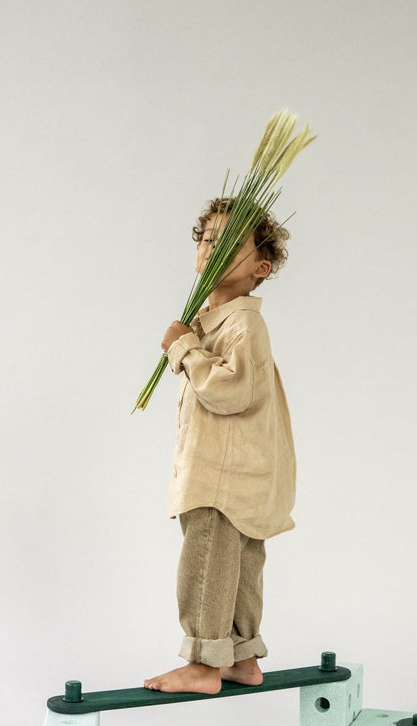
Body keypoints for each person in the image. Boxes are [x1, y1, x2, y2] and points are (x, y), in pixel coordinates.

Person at [143, 198, 296, 694]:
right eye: (209, 239)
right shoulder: (217, 323)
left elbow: (230, 391)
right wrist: (191, 339)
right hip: (242, 472)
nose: (214, 247)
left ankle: (204, 664)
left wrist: (183, 347)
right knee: (239, 566)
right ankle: (241, 658)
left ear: (260, 268)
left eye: (231, 242)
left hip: (220, 476)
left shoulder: (242, 325)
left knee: (206, 561)